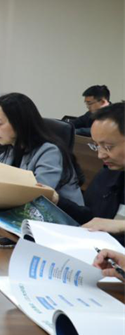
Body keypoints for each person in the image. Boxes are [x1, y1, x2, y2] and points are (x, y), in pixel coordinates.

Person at [0, 93, 85, 206]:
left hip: (61, 222)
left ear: (19, 123)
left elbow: (36, 194)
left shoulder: (49, 152)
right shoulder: (11, 148)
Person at [56, 102, 125, 242]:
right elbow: (93, 218)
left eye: (108, 147)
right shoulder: (109, 173)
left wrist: (121, 225)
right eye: (96, 145)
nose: (100, 155)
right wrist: (57, 200)